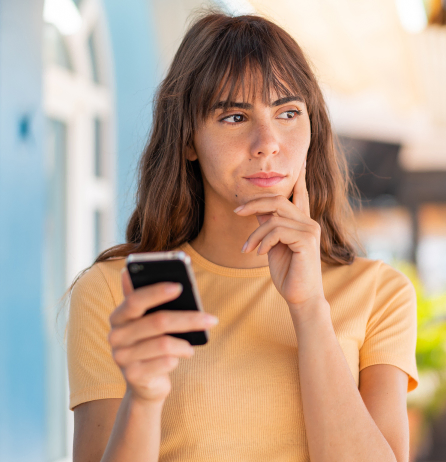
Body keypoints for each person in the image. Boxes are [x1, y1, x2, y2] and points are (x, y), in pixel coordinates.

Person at [67, 10, 419, 462]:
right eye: (235, 116)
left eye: (288, 113)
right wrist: (145, 397)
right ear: (188, 140)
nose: (267, 142)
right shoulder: (117, 293)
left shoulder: (379, 294)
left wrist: (309, 308)